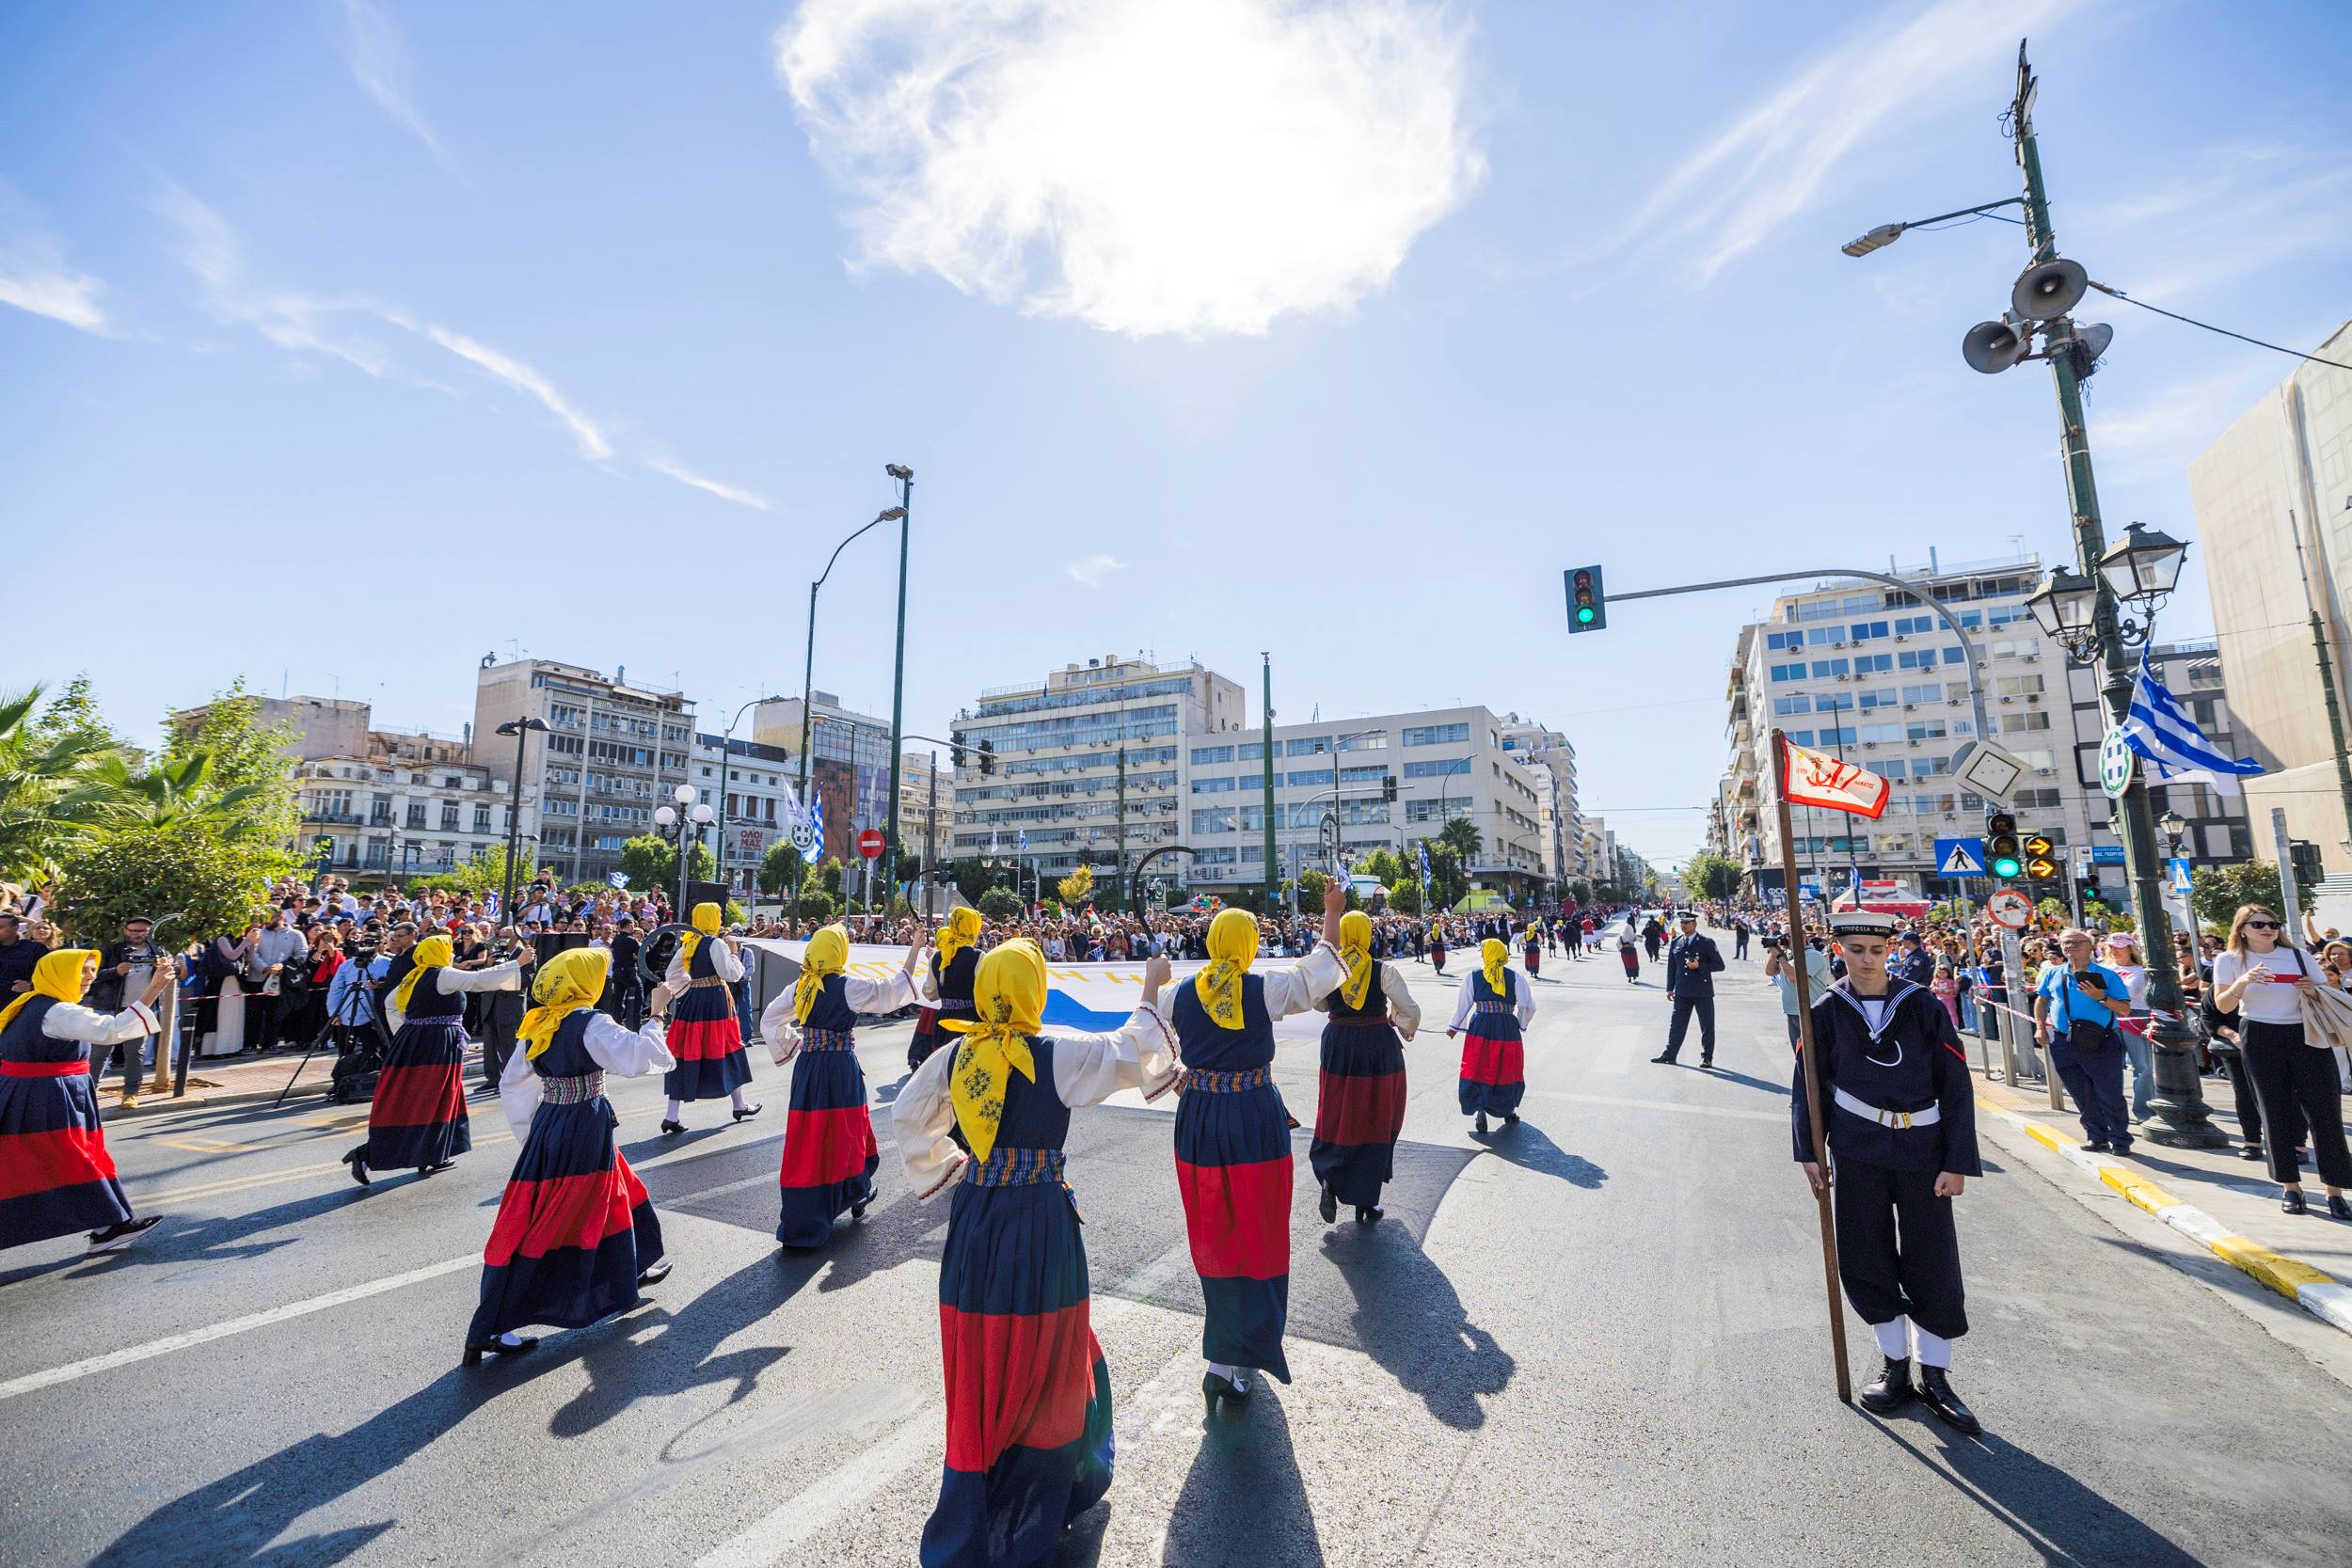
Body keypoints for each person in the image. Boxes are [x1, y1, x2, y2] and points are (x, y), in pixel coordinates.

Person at [893, 940, 1175, 1566]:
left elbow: (907, 1115)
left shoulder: (955, 1056)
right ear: (1033, 990)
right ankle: (1031, 1511)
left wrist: (952, 1166)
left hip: (976, 1220)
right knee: (1047, 1354)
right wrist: (1151, 987)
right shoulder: (1058, 1052)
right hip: (1041, 1221)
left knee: (982, 1354)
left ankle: (976, 1504)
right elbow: (1132, 1052)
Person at [1794, 910, 1982, 1434]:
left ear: (1890, 950)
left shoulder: (1921, 1005)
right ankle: (1894, 1367)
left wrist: (1957, 1160)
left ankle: (1937, 1377)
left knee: (1932, 1257)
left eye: (1876, 951)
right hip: (1857, 1149)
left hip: (1923, 1149)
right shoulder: (1826, 1011)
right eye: (1856, 950)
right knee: (1865, 1254)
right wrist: (1811, 1150)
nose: (1867, 959)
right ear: (1841, 952)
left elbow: (1956, 1082)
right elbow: (1806, 1086)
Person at [1169, 884, 1345, 1410]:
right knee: (1259, 1231)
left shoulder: (1175, 994)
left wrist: (1179, 1080)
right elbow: (1324, 971)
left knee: (1213, 1229)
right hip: (1252, 1119)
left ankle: (1221, 1358)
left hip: (1198, 1120)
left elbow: (1141, 1039)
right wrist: (1332, 914)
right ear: (1248, 944)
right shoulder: (1264, 989)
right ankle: (1237, 1353)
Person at [466, 948, 677, 1367]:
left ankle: (629, 1272)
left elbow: (514, 1085)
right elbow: (644, 1058)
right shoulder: (590, 1022)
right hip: (583, 1126)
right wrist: (657, 1015)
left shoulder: (538, 1023)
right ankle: (495, 1322)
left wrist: (534, 1138)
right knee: (554, 1220)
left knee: (619, 1195)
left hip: (552, 1124)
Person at [0, 946, 177, 1255]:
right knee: (75, 1160)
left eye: (92, 971)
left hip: (37, 1093)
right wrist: (155, 988)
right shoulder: (58, 1011)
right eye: (82, 970)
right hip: (49, 1097)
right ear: (58, 973)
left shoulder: (28, 1003)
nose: (89, 978)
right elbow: (115, 1030)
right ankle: (110, 1226)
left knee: (49, 1161)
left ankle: (108, 1225)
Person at [757, 924, 920, 1247]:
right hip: (840, 1068)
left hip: (809, 1068)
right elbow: (891, 992)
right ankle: (853, 1190)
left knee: (811, 1135)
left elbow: (768, 1021)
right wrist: (914, 949)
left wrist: (795, 1043)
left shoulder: (800, 986)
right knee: (846, 1131)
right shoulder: (846, 986)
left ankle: (813, 1206)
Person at [342, 934, 526, 1187]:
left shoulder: (414, 975)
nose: (452, 955)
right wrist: (518, 963)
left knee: (425, 1099)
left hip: (418, 1042)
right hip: (436, 1045)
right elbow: (479, 981)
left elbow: (390, 1004)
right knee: (434, 1098)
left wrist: (406, 1032)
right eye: (448, 950)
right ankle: (373, 1154)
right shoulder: (442, 974)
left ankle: (434, 1154)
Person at [2211, 906, 2350, 1218]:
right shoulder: (2229, 960)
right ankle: (2291, 1187)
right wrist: (2243, 981)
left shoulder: (2298, 955)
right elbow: (2223, 1004)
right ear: (2242, 928)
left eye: (2273, 924)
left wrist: (2311, 990)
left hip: (2307, 1034)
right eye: (2259, 924)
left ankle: (2335, 1191)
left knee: (2325, 1113)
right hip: (2260, 1035)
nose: (2267, 929)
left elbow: (2325, 994)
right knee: (2275, 1113)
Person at [1310, 910, 1422, 1226]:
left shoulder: (1330, 970)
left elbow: (1318, 1003)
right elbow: (1410, 1012)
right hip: (1376, 1045)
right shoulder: (1382, 970)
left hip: (1338, 1044)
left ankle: (1331, 1177)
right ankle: (1365, 1200)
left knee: (1337, 1110)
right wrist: (1397, 1022)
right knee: (1376, 1115)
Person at [659, 904, 760, 1133]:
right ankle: (739, 1105)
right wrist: (734, 952)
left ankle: (671, 1115)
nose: (721, 918)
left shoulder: (689, 943)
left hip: (694, 1003)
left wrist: (689, 989)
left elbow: (671, 974)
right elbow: (732, 974)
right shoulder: (716, 943)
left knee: (685, 1051)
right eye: (719, 915)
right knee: (728, 1047)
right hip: (716, 1002)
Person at [2032, 929, 2134, 1156]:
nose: (2070, 946)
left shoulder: (2107, 976)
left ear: (2090, 946)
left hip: (2101, 1041)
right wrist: (2040, 1028)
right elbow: (2041, 1001)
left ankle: (2120, 1138)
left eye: (2077, 942)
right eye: (2065, 942)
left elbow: (2125, 1009)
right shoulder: (2053, 973)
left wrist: (2100, 997)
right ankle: (2096, 1136)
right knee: (2080, 1092)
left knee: (2109, 1092)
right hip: (2064, 1041)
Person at [1448, 936, 1534, 1136]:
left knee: (1479, 1065)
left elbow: (1464, 1004)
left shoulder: (1474, 976)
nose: (1480, 954)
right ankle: (1508, 1109)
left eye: (1482, 951)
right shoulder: (1515, 978)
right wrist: (1521, 1023)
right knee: (1506, 1066)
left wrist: (1454, 1026)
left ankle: (1480, 1108)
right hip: (1506, 1027)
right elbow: (1527, 1005)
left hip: (1481, 1027)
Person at [909, 906, 982, 1073]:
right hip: (971, 1021)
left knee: (944, 1071)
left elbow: (930, 993)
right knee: (967, 1072)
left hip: (944, 1019)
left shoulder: (937, 957)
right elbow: (984, 991)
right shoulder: (979, 957)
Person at [1653, 911, 1724, 1067]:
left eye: (1687, 922)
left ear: (1694, 924)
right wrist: (1669, 988)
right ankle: (1670, 1054)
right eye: (1682, 923)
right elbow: (1672, 967)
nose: (1683, 925)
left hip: (1702, 991)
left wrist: (1700, 966)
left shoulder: (1706, 942)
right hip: (1682, 991)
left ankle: (1707, 1057)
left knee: (1706, 1025)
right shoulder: (1676, 942)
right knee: (1677, 1024)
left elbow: (1720, 965)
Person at [2103, 933, 2157, 1124]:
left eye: (2119, 946)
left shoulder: (2141, 971)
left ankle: (2144, 1111)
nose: (2114, 950)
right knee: (2111, 1066)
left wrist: (2103, 994)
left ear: (2130, 948)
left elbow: (2127, 992)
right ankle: (2114, 1112)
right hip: (2110, 1016)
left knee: (2142, 1067)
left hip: (2134, 1017)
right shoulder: (2106, 968)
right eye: (2111, 946)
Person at [1765, 931, 1835, 1045]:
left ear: (1802, 938)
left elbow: (1795, 977)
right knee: (1799, 1053)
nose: (1785, 939)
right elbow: (1770, 972)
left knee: (1811, 1052)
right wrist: (1774, 953)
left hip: (1809, 1010)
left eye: (1788, 936)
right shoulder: (1788, 955)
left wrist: (1780, 957)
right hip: (1792, 1010)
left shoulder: (1813, 955)